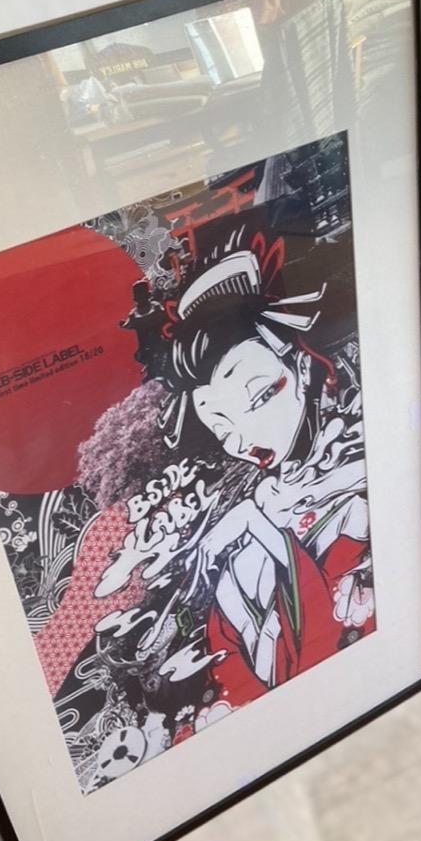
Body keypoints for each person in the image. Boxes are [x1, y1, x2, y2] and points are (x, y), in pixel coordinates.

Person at [155, 223, 374, 706]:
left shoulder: (364, 451)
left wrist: (255, 522)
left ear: (303, 364)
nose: (242, 441)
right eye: (222, 429)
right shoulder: (261, 509)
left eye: (257, 399)